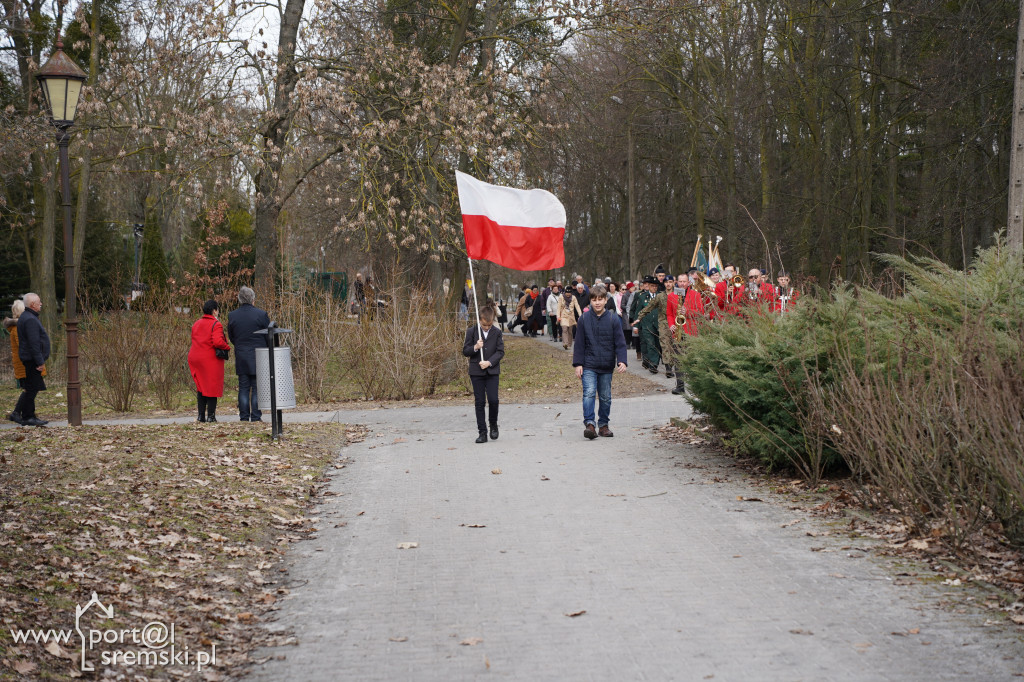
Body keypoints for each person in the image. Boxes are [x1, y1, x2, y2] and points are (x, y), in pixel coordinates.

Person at [572, 284, 628, 440]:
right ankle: (590, 424)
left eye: (600, 300)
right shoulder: (583, 319)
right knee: (589, 393)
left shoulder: (613, 319)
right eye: (594, 300)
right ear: (590, 301)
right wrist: (578, 364)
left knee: (605, 397)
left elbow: (620, 342)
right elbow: (579, 344)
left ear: (605, 300)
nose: (597, 303)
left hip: (606, 364)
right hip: (589, 364)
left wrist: (622, 360)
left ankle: (603, 425)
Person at [228, 286, 271, 422]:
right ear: (253, 299)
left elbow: (232, 336)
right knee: (257, 388)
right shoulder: (261, 314)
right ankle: (256, 417)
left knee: (244, 387)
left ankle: (244, 417)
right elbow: (269, 335)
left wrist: (240, 346)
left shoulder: (232, 315)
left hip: (242, 355)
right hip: (259, 355)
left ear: (239, 299)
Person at [462, 305, 504, 443]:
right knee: (479, 402)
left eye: (489, 325)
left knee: (493, 400)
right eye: (484, 325)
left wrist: (489, 362)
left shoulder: (497, 332)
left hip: (492, 371)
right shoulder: (472, 331)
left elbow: (500, 352)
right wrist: (475, 347)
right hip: (476, 372)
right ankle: (482, 432)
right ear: (480, 320)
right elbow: (465, 351)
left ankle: (493, 425)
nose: (487, 328)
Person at [188, 299, 231, 423]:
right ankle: (211, 416)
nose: (218, 312)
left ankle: (201, 416)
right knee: (212, 387)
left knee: (201, 387)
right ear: (214, 311)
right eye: (217, 310)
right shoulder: (216, 324)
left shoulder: (196, 323)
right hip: (209, 359)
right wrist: (227, 346)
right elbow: (217, 342)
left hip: (195, 358)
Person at [11, 295, 49, 426]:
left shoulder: (26, 317)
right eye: (39, 302)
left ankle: (26, 414)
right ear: (32, 304)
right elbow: (34, 343)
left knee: (31, 388)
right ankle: (28, 416)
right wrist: (40, 361)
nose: (41, 304)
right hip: (32, 360)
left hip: (30, 359)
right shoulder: (30, 320)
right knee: (31, 389)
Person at [633, 273, 676, 378]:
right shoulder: (660, 296)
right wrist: (640, 317)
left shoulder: (679, 294)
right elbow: (650, 306)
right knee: (665, 346)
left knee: (675, 347)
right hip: (664, 324)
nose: (668, 284)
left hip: (677, 323)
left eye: (670, 282)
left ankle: (678, 366)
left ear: (674, 283)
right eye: (666, 282)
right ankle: (668, 369)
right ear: (664, 284)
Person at [630, 275, 660, 373]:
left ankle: (652, 361)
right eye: (652, 286)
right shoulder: (643, 297)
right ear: (648, 286)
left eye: (656, 286)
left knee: (657, 344)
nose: (654, 288)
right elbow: (638, 312)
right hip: (646, 325)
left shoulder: (661, 296)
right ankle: (653, 364)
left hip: (658, 325)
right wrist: (636, 325)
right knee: (650, 344)